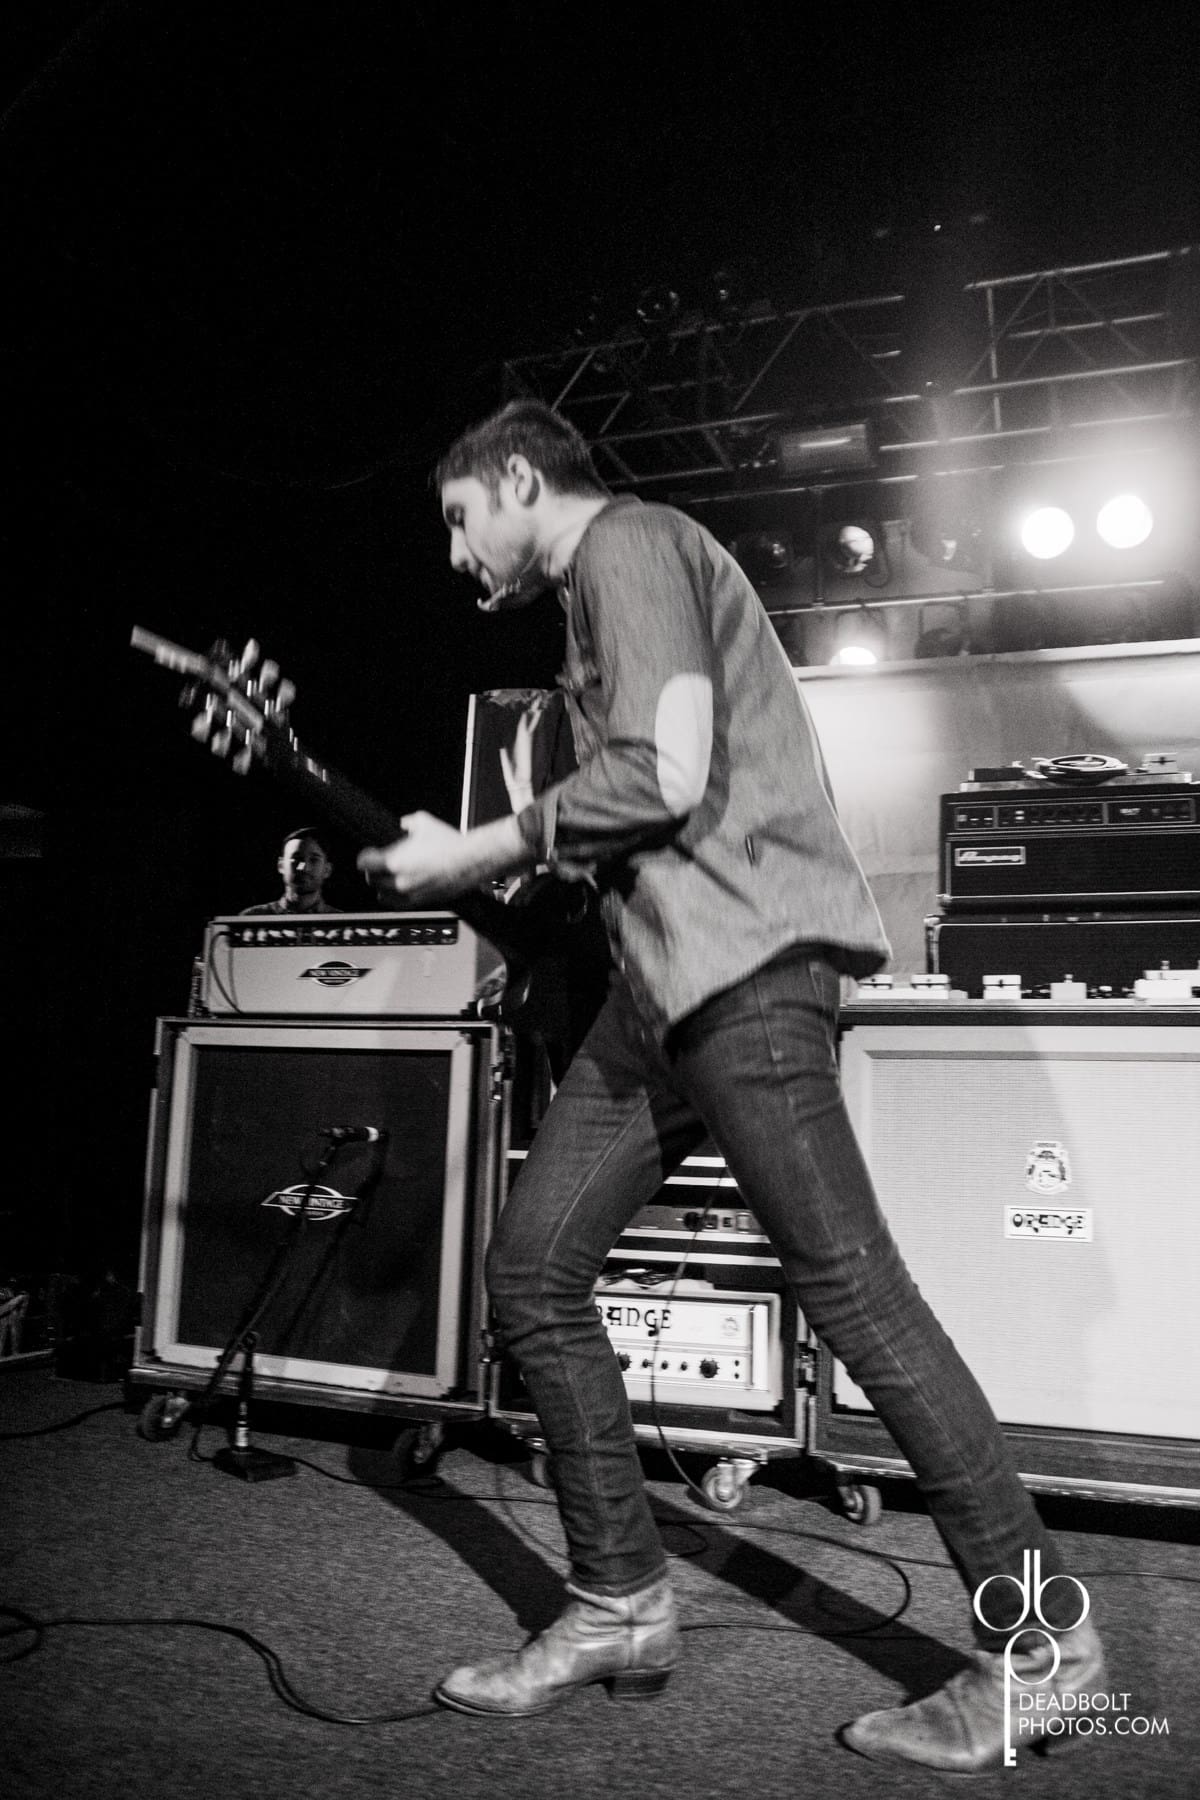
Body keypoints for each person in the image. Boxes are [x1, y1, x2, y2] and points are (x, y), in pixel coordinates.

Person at [357, 401, 1104, 1770]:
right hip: (662, 997)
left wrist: (477, 847)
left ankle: (1043, 1650)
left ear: (519, 478)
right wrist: (507, 860)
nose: (455, 556)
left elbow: (666, 774)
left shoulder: (628, 546)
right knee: (531, 1272)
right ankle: (620, 1602)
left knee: (860, 1298)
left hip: (746, 975)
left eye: (460, 520)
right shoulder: (596, 606)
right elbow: (641, 814)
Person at [241, 826, 339, 915]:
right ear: (281, 865)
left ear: (327, 870)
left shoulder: (341, 922)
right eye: (296, 859)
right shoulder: (252, 918)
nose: (304, 868)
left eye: (314, 860)